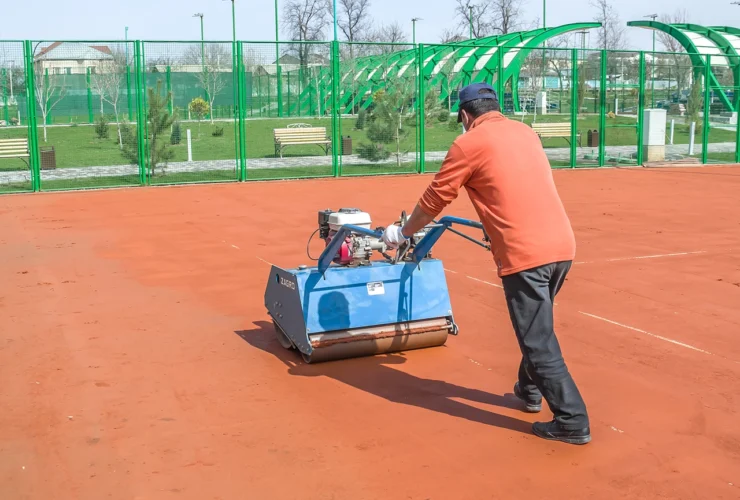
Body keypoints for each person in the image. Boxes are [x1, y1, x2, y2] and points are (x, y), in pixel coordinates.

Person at [381, 82, 590, 445]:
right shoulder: (525, 132)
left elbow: (435, 199)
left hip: (525, 254)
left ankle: (572, 420)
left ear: (465, 115)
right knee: (538, 325)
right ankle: (529, 390)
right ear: (495, 106)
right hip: (562, 246)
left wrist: (401, 233)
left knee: (537, 340)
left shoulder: (468, 144)